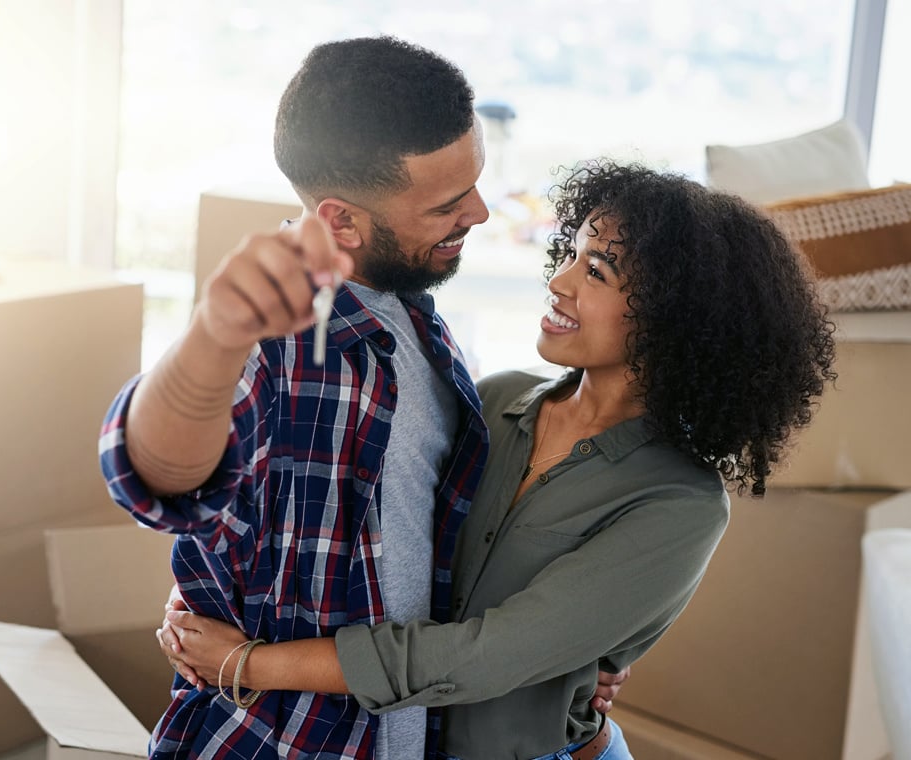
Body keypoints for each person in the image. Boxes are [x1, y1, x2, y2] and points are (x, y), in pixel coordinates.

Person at [158, 159, 838, 760]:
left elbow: (484, 656)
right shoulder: (497, 401)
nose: (561, 282)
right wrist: (217, 593)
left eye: (595, 271)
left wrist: (248, 663)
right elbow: (356, 518)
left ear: (675, 321)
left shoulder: (680, 503)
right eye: (570, 254)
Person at [100, 36, 621, 760]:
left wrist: (555, 663)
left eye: (474, 182)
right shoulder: (279, 337)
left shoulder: (412, 320)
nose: (478, 212)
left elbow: (430, 549)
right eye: (445, 204)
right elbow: (154, 477)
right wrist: (213, 341)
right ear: (341, 219)